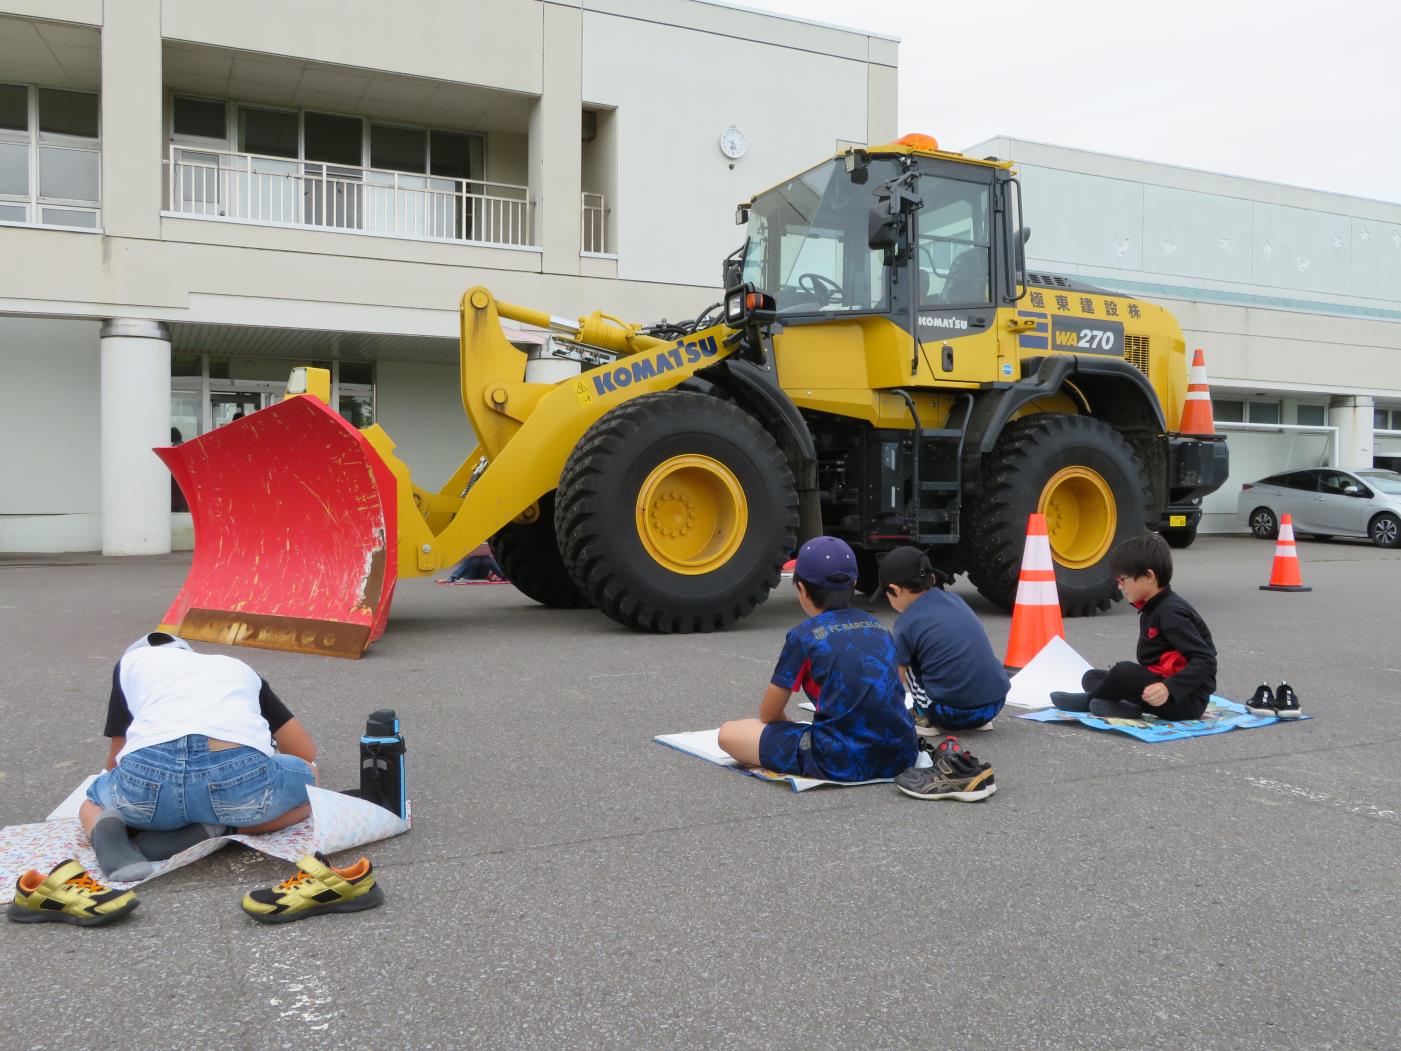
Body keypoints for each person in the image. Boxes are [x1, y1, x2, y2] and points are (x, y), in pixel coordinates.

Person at [78, 632, 319, 881]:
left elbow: (115, 761)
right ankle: (219, 829)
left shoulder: (130, 665)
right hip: (237, 786)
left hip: (149, 792)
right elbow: (304, 752)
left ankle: (112, 848)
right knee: (310, 780)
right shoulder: (236, 668)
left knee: (92, 801)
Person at [716, 537, 916, 782]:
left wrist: (790, 732)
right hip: (902, 754)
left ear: (801, 589)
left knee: (728, 733)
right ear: (853, 583)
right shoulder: (877, 627)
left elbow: (769, 714)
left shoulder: (804, 636)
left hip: (840, 759)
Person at [1051, 532, 1217, 720]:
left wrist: (1169, 687)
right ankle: (1125, 708)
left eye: (1123, 580)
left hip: (1185, 701)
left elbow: (1205, 660)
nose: (1120, 587)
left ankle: (1089, 700)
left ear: (1149, 576)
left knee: (1124, 671)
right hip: (1159, 686)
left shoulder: (1172, 612)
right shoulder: (1152, 607)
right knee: (1092, 677)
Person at [878, 546, 1010, 734]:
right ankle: (978, 722)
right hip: (995, 704)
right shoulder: (956, 600)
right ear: (932, 579)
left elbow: (896, 679)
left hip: (949, 713)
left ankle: (923, 718)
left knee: (903, 657)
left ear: (895, 590)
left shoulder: (906, 622)